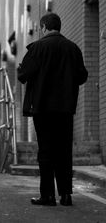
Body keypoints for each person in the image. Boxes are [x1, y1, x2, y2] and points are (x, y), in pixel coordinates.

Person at [17, 13, 88, 206]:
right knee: (64, 150)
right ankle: (66, 195)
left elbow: (23, 75)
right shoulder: (73, 48)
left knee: (46, 151)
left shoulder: (37, 48)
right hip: (65, 108)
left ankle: (47, 196)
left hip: (42, 108)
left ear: (43, 27)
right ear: (59, 27)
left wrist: (21, 68)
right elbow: (82, 76)